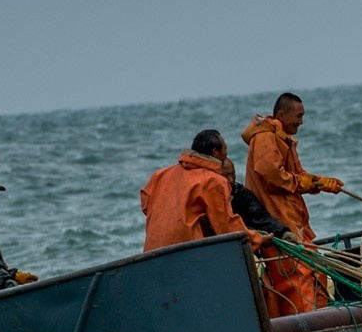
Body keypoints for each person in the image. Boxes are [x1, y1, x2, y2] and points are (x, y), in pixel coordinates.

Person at [242, 92, 342, 315]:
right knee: (298, 276)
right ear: (281, 115)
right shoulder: (265, 137)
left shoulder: (282, 138)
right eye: (298, 116)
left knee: (315, 270)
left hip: (294, 221)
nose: (301, 121)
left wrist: (320, 182)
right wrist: (303, 183)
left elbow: (296, 175)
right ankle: (307, 326)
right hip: (279, 224)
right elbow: (270, 173)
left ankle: (321, 319)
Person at [140, 130, 268, 252]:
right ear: (215, 152)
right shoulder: (213, 181)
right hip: (188, 252)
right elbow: (225, 225)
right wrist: (256, 239)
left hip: (152, 252)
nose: (226, 154)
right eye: (225, 150)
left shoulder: (159, 175)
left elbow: (146, 206)